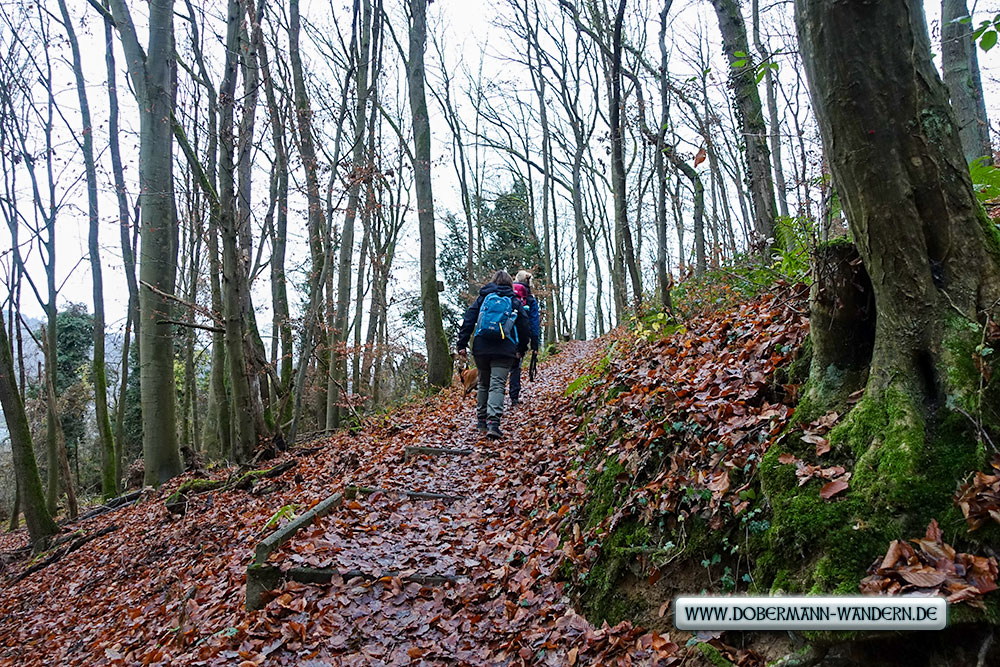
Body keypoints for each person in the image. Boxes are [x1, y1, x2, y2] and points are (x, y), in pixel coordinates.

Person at [456, 270, 529, 439]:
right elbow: (524, 325)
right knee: (497, 385)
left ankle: (481, 421)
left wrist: (462, 344)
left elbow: (469, 319)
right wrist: (521, 349)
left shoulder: (483, 298)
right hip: (504, 349)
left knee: (483, 384)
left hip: (481, 348)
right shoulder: (514, 300)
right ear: (510, 284)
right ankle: (493, 423)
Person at [509, 271, 540, 404]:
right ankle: (514, 397)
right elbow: (534, 323)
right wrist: (534, 345)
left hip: (503, 335)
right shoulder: (530, 299)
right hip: (520, 339)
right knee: (515, 367)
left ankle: (494, 400)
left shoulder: (507, 294)